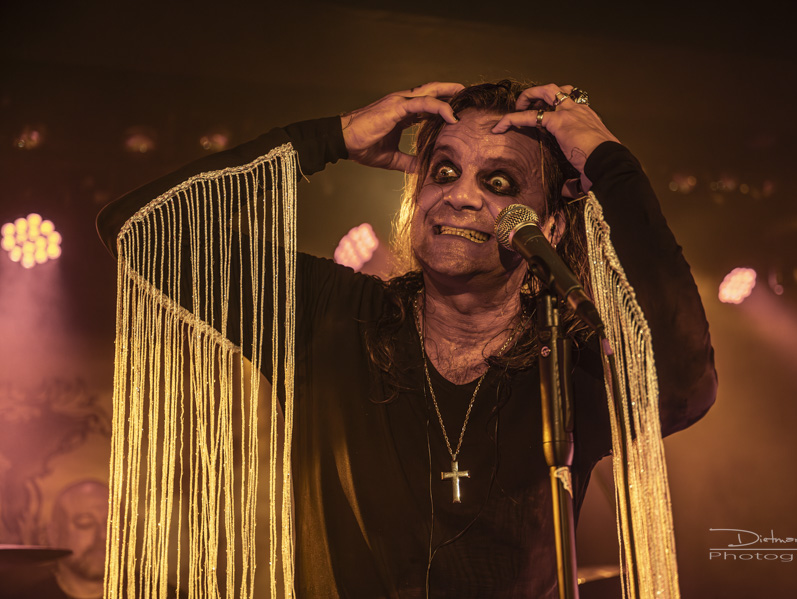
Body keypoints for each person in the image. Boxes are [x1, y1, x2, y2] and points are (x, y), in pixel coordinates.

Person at [97, 80, 716, 598]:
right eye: (444, 171)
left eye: (500, 183)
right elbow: (141, 231)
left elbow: (684, 385)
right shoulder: (330, 315)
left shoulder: (567, 359)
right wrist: (329, 138)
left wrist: (609, 160)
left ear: (550, 227)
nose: (461, 195)